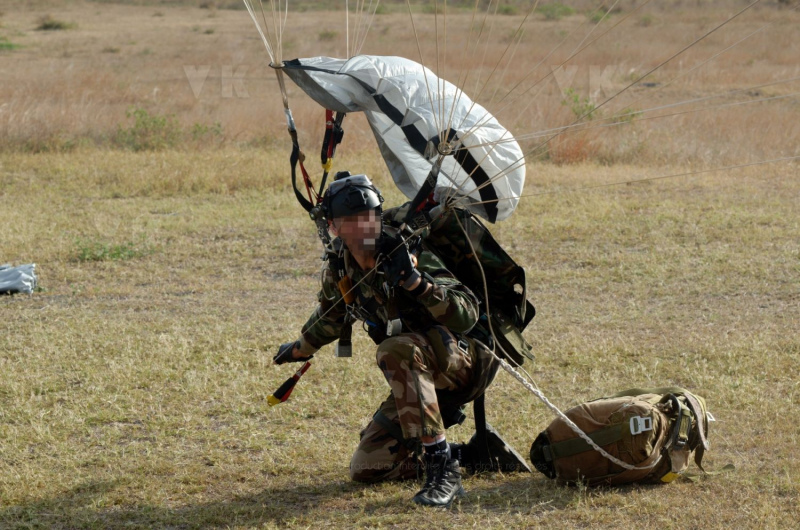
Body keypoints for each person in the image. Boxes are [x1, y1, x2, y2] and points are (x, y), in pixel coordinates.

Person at [273, 172, 501, 507]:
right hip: (417, 376)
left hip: (463, 364)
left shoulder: (408, 252)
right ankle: (464, 455)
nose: (364, 227)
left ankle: (443, 472)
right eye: (352, 221)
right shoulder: (342, 268)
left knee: (395, 349)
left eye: (370, 217)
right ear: (335, 227)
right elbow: (331, 316)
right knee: (367, 466)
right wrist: (299, 349)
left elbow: (466, 313)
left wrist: (417, 283)